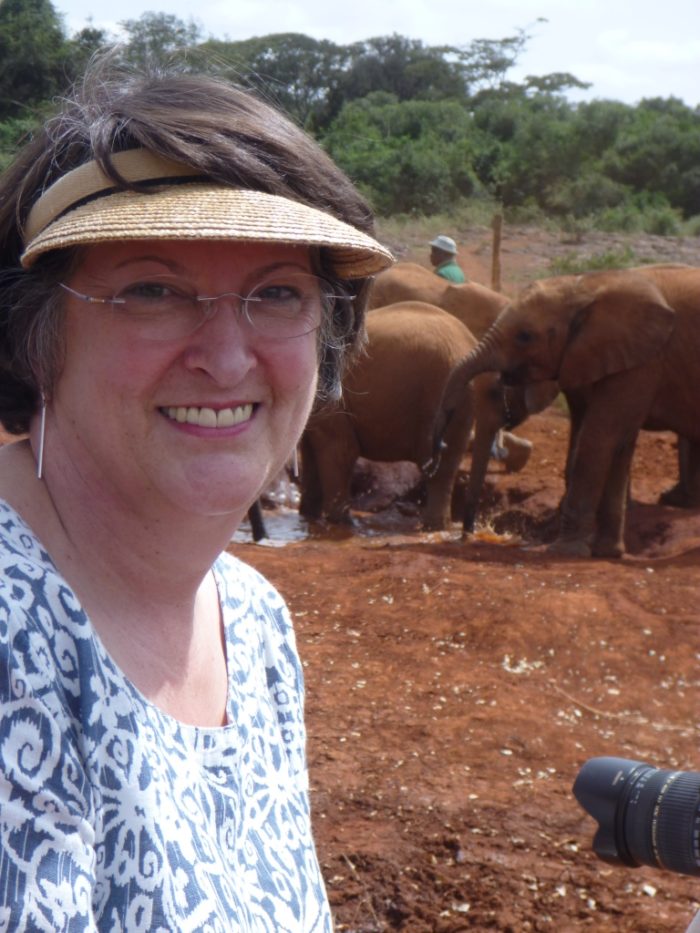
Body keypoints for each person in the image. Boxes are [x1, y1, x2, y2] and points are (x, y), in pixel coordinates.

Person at [0, 56, 393, 929]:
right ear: (33, 336)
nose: (226, 357)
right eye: (153, 290)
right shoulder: (10, 634)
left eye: (278, 293)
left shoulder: (252, 621)